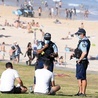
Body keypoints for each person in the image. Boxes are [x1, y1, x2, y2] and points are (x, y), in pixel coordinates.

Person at [70, 28, 90, 96]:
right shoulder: (82, 41)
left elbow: (84, 52)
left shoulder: (84, 42)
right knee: (79, 77)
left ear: (82, 34)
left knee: (82, 77)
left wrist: (80, 59)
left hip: (82, 61)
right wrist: (74, 55)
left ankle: (83, 92)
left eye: (79, 34)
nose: (78, 35)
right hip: (81, 61)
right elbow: (79, 51)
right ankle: (80, 91)